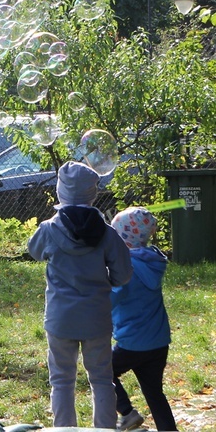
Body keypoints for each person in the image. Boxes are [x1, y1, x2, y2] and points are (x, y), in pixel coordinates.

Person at [27, 161, 132, 428]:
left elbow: (34, 250)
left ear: (61, 191)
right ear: (92, 193)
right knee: (101, 379)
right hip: (96, 317)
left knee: (61, 380)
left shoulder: (49, 229)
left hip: (60, 318)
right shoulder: (107, 232)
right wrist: (104, 281)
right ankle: (104, 429)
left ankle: (64, 429)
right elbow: (123, 275)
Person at [110, 207, 178, 431]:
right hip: (158, 341)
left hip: (133, 342)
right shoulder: (150, 261)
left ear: (122, 237)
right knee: (154, 393)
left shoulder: (126, 267)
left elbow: (113, 298)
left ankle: (127, 413)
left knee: (101, 370)